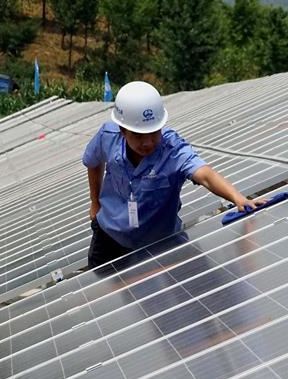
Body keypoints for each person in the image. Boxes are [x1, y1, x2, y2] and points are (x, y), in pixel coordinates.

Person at [83, 81, 262, 267]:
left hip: (157, 245)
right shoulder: (108, 136)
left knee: (156, 294)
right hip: (109, 236)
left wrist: (238, 198)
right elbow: (93, 162)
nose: (148, 142)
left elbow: (205, 175)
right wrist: (94, 201)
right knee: (103, 291)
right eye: (138, 135)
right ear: (122, 130)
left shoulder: (173, 149)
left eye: (154, 133)